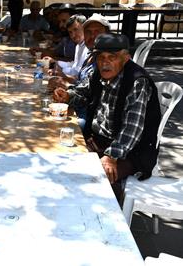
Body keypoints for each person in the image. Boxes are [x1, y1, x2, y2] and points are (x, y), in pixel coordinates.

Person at [53, 33, 161, 202]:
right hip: (98, 141)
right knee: (60, 157)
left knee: (98, 176)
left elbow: (132, 130)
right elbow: (82, 92)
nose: (105, 63)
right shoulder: (98, 72)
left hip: (131, 152)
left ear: (126, 58)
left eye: (112, 57)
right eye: (101, 57)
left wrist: (111, 156)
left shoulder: (136, 81)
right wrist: (67, 96)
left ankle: (111, 216)